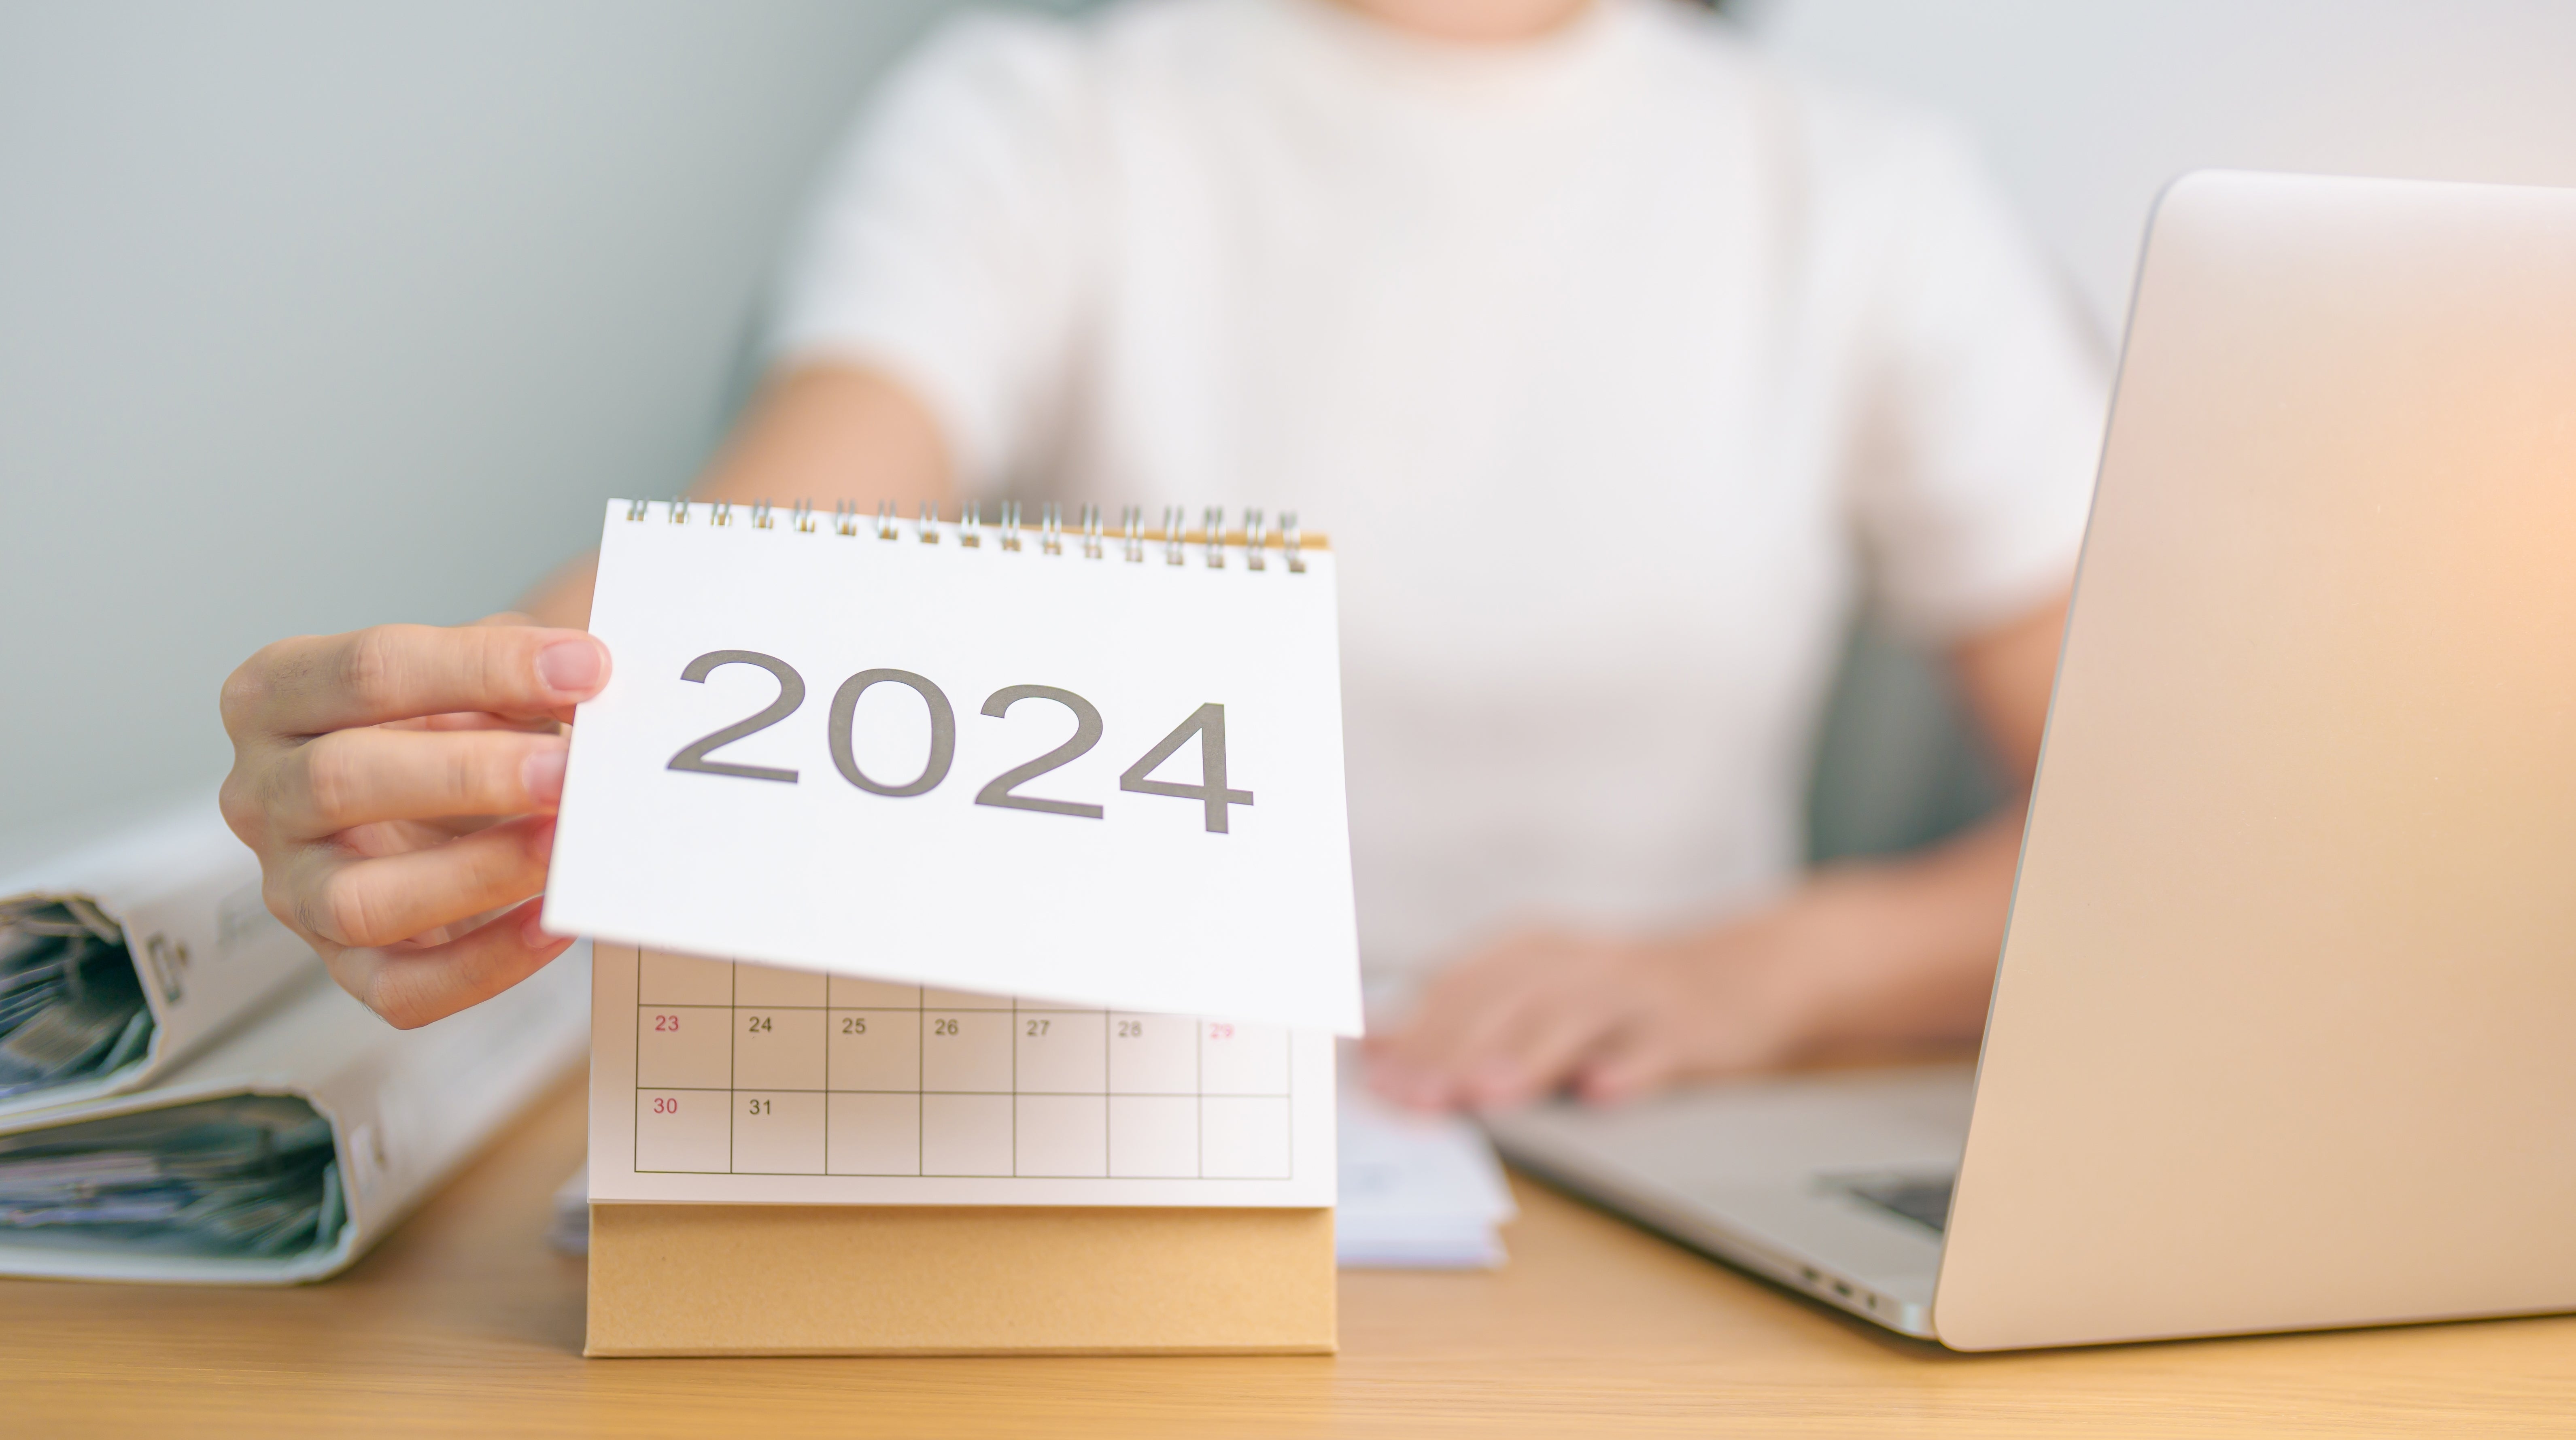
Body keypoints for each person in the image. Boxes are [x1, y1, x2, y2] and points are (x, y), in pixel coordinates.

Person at [217, 0, 2105, 1112]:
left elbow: (2149, 822)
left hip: (1661, 1152)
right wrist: (470, 741)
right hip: (1112, 1147)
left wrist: (1776, 970)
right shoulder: (1049, 121)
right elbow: (761, 550)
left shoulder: (1858, 192)